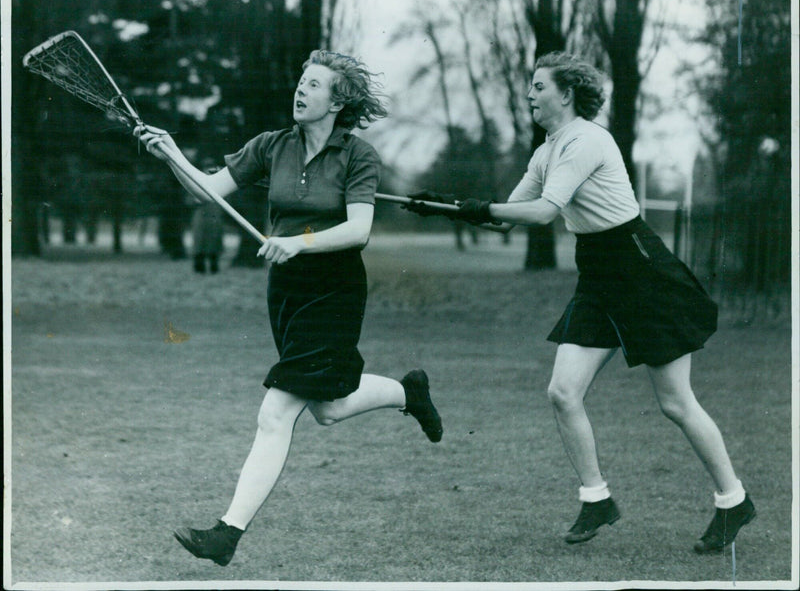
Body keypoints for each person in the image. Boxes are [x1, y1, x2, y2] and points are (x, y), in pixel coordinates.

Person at [405, 51, 754, 553]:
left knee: (676, 402)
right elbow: (508, 216)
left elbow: (544, 212)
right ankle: (596, 497)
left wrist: (475, 209)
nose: (530, 95)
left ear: (566, 94)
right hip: (598, 276)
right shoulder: (547, 150)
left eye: (538, 86)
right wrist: (450, 209)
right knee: (562, 392)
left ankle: (733, 499)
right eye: (530, 86)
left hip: (642, 273)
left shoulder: (587, 139)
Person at [136, 50, 443, 566]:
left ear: (338, 101)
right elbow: (208, 193)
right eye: (301, 81)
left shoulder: (358, 156)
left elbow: (359, 229)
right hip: (286, 292)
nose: (301, 90)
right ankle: (406, 391)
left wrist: (298, 242)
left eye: (315, 84)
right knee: (326, 408)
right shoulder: (272, 147)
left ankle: (226, 535)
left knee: (276, 411)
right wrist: (171, 155)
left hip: (334, 287)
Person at [190, 165, 224, 274]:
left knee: (214, 240)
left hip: (214, 214)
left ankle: (214, 266)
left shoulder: (221, 186)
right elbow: (190, 200)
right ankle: (199, 267)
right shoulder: (195, 184)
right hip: (201, 214)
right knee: (199, 240)